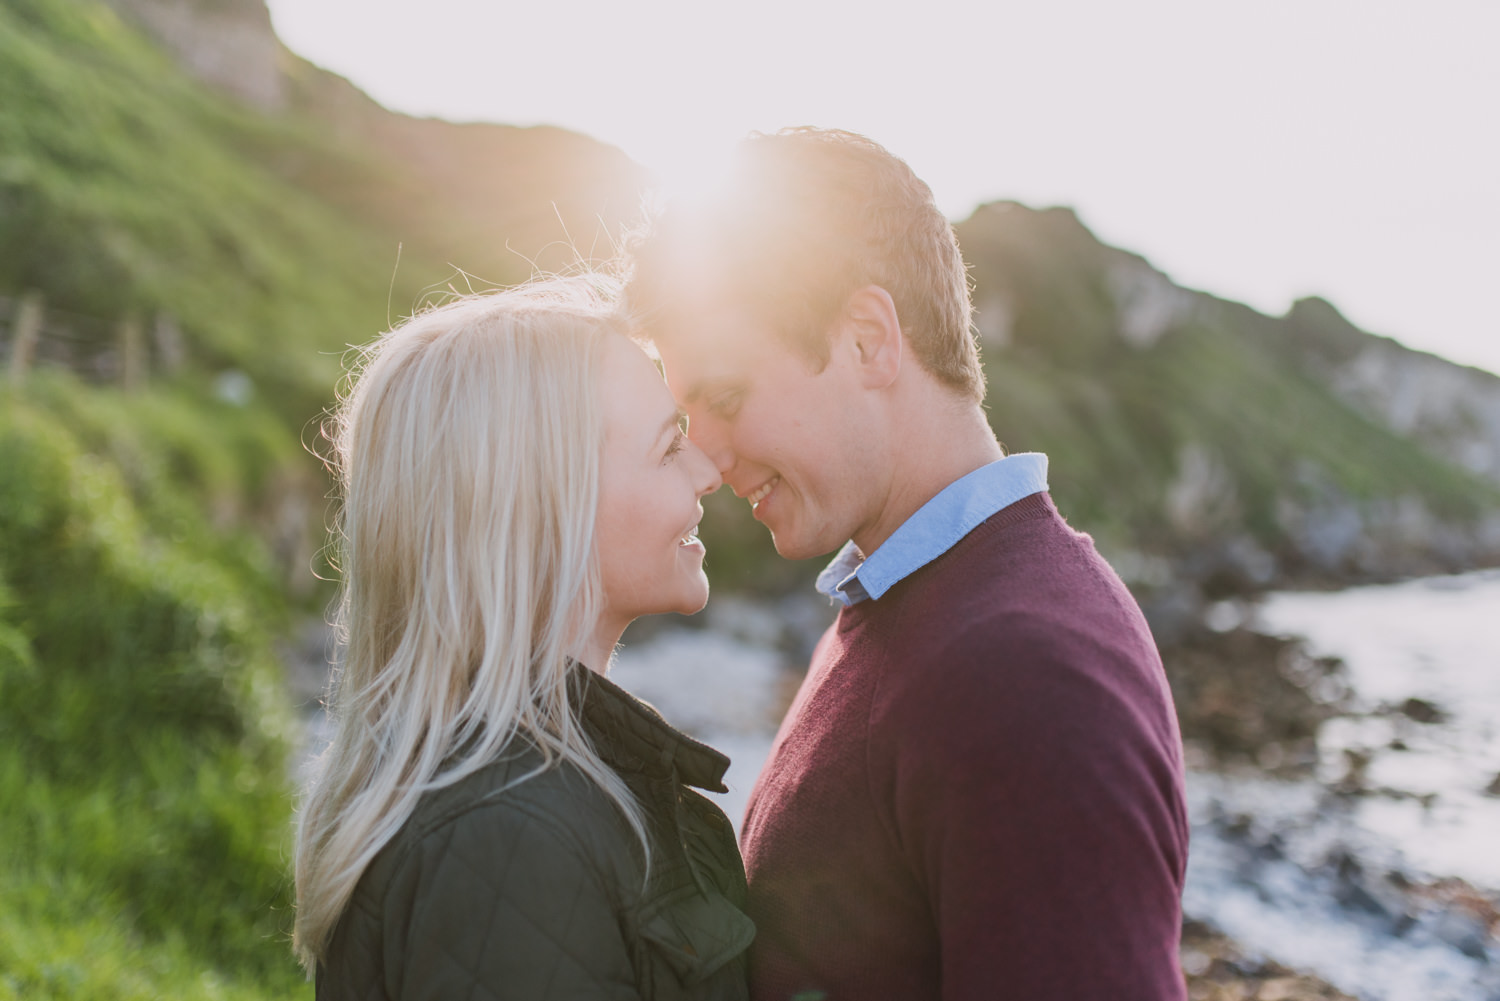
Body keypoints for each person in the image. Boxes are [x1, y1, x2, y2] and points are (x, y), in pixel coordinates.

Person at [625, 129, 1189, 1001]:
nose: (703, 461)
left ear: (866, 340)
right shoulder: (909, 608)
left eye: (727, 399)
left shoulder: (1024, 676)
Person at [292, 278, 754, 1000]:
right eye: (669, 448)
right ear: (543, 505)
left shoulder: (542, 795)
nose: (708, 473)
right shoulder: (507, 840)